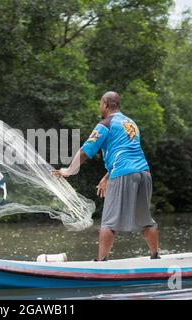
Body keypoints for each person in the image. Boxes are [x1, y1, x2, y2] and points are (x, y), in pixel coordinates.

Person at [51, 91, 159, 261]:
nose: (99, 107)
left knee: (108, 222)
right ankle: (155, 256)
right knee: (145, 219)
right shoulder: (131, 123)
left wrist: (69, 170)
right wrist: (106, 177)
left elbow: (87, 149)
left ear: (106, 104)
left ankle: (101, 262)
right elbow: (127, 153)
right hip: (144, 172)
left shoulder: (106, 124)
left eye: (100, 103)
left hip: (123, 173)